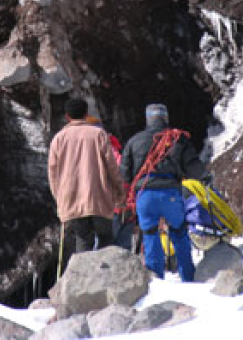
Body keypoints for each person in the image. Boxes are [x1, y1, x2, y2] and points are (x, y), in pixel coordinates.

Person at [122, 103, 207, 282]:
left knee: (150, 235)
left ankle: (156, 280)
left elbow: (125, 173)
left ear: (148, 119)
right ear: (165, 118)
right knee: (179, 233)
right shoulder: (177, 138)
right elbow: (193, 167)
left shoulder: (134, 141)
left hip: (144, 195)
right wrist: (205, 178)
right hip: (170, 193)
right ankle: (188, 277)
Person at [48, 98, 125, 266]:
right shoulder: (98, 135)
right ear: (86, 114)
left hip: (72, 199)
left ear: (67, 117)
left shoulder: (59, 139)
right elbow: (112, 168)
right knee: (106, 239)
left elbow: (53, 173)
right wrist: (120, 193)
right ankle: (105, 279)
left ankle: (85, 280)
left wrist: (59, 198)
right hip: (99, 199)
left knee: (83, 240)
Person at [86, 115, 134, 251]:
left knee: (103, 250)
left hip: (110, 207)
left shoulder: (102, 150)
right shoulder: (114, 148)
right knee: (122, 250)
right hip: (124, 206)